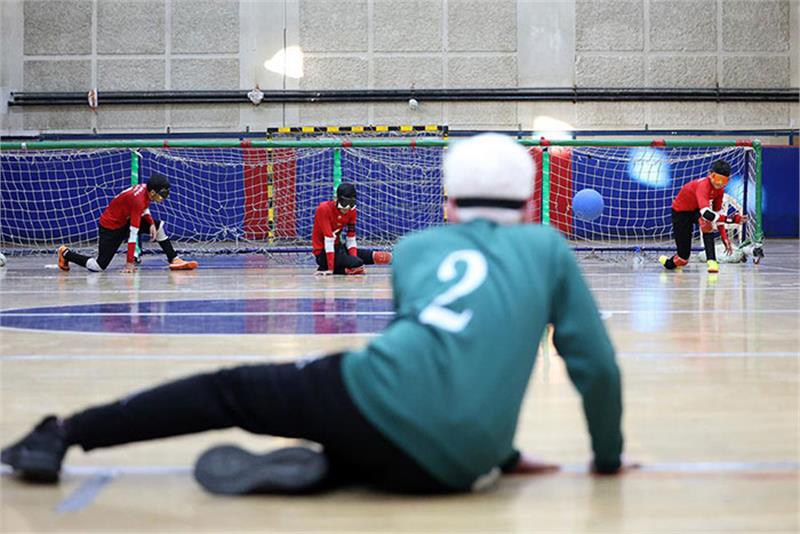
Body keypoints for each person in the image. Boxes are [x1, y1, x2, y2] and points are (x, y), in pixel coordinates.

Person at [2, 134, 626, 496]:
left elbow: (433, 355)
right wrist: (599, 460)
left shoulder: (418, 250)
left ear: (448, 201)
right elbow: (595, 367)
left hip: (375, 398)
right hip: (459, 466)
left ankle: (61, 433)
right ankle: (343, 462)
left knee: (231, 391)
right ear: (528, 204)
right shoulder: (550, 250)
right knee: (382, 423)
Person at [56, 173, 198, 273]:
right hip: (110, 227)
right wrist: (129, 263)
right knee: (98, 266)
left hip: (124, 220)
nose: (164, 198)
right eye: (163, 194)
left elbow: (145, 208)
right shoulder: (137, 200)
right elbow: (133, 234)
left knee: (158, 226)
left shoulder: (146, 190)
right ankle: (66, 253)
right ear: (153, 192)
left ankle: (174, 259)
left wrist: (150, 223)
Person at [659, 160, 748, 273]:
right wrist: (730, 220)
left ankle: (712, 262)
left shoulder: (719, 190)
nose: (719, 183)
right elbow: (706, 212)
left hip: (695, 210)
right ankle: (668, 262)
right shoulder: (703, 186)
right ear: (710, 174)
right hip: (680, 212)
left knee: (706, 223)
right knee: (683, 259)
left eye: (724, 181)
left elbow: (717, 213)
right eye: (717, 178)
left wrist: (724, 237)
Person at [312, 182, 392, 275]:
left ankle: (400, 259)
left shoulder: (352, 211)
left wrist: (354, 260)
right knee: (357, 263)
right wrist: (330, 269)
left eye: (351, 203)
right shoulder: (323, 209)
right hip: (323, 252)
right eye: (344, 203)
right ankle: (329, 267)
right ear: (337, 199)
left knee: (370, 256)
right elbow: (328, 240)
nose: (347, 208)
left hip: (339, 248)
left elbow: (351, 237)